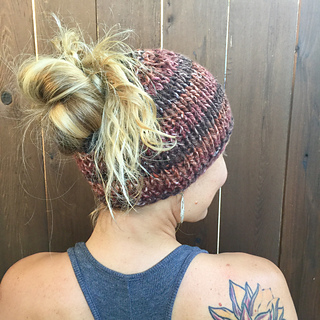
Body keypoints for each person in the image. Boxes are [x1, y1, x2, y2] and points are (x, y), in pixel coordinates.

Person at [0, 21, 297, 320]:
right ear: (178, 174)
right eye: (219, 152)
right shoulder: (257, 290)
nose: (224, 173)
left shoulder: (21, 288)